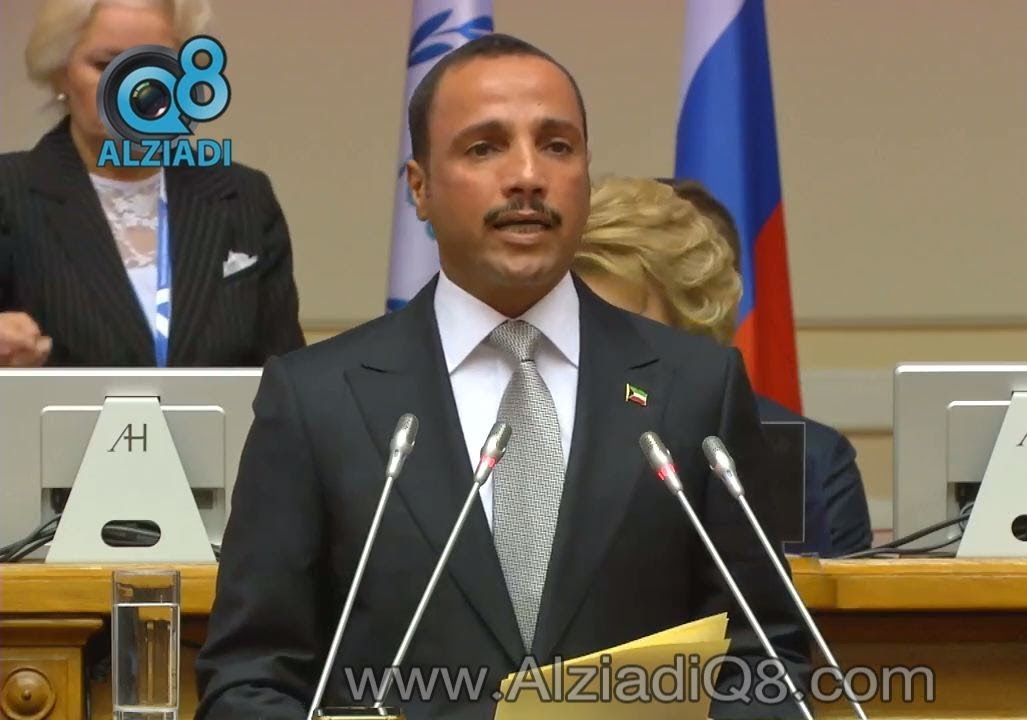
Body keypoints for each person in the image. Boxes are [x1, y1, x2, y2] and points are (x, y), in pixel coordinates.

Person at [194, 33, 810, 719]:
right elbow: (250, 677)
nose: (527, 176)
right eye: (484, 147)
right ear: (420, 188)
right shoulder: (317, 400)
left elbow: (765, 657)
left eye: (557, 146)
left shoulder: (695, 387)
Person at [576, 176, 873, 557]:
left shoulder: (791, 465)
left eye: (624, 331)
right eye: (580, 329)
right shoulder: (523, 444)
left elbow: (804, 596)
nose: (598, 353)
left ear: (692, 333)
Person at [0, 0, 305, 368]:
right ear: (60, 73)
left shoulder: (243, 197)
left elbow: (289, 376)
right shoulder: (10, 192)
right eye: (106, 65)